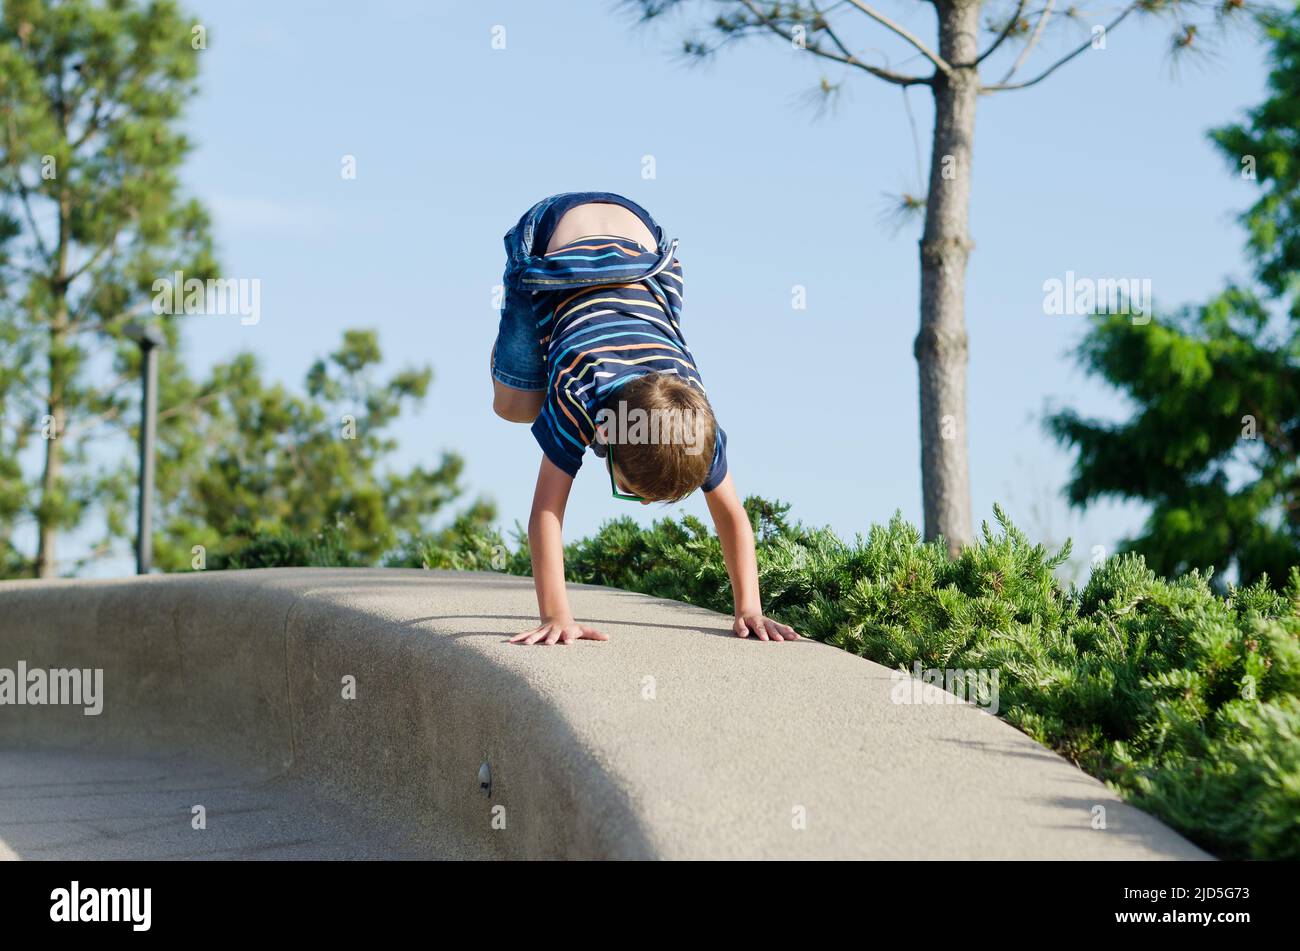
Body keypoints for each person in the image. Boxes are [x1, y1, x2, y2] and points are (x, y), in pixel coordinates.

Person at [490, 192, 798, 646]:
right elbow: (546, 513)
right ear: (609, 435)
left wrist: (750, 606)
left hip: (643, 243)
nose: (645, 505)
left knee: (662, 314)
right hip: (549, 242)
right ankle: (518, 343)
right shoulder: (577, 395)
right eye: (632, 491)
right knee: (515, 407)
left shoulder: (696, 424)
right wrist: (557, 615)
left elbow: (731, 514)